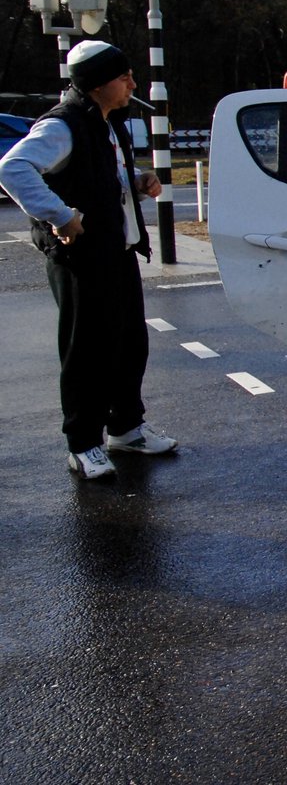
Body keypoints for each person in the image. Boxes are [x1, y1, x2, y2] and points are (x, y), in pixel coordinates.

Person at [0, 40, 176, 479]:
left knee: (129, 343)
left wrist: (136, 182)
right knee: (87, 351)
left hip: (116, 251)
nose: (131, 83)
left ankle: (126, 427)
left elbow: (98, 176)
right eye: (123, 77)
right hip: (81, 257)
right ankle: (82, 444)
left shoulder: (106, 121)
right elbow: (12, 168)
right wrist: (60, 214)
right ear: (97, 84)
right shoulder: (63, 126)